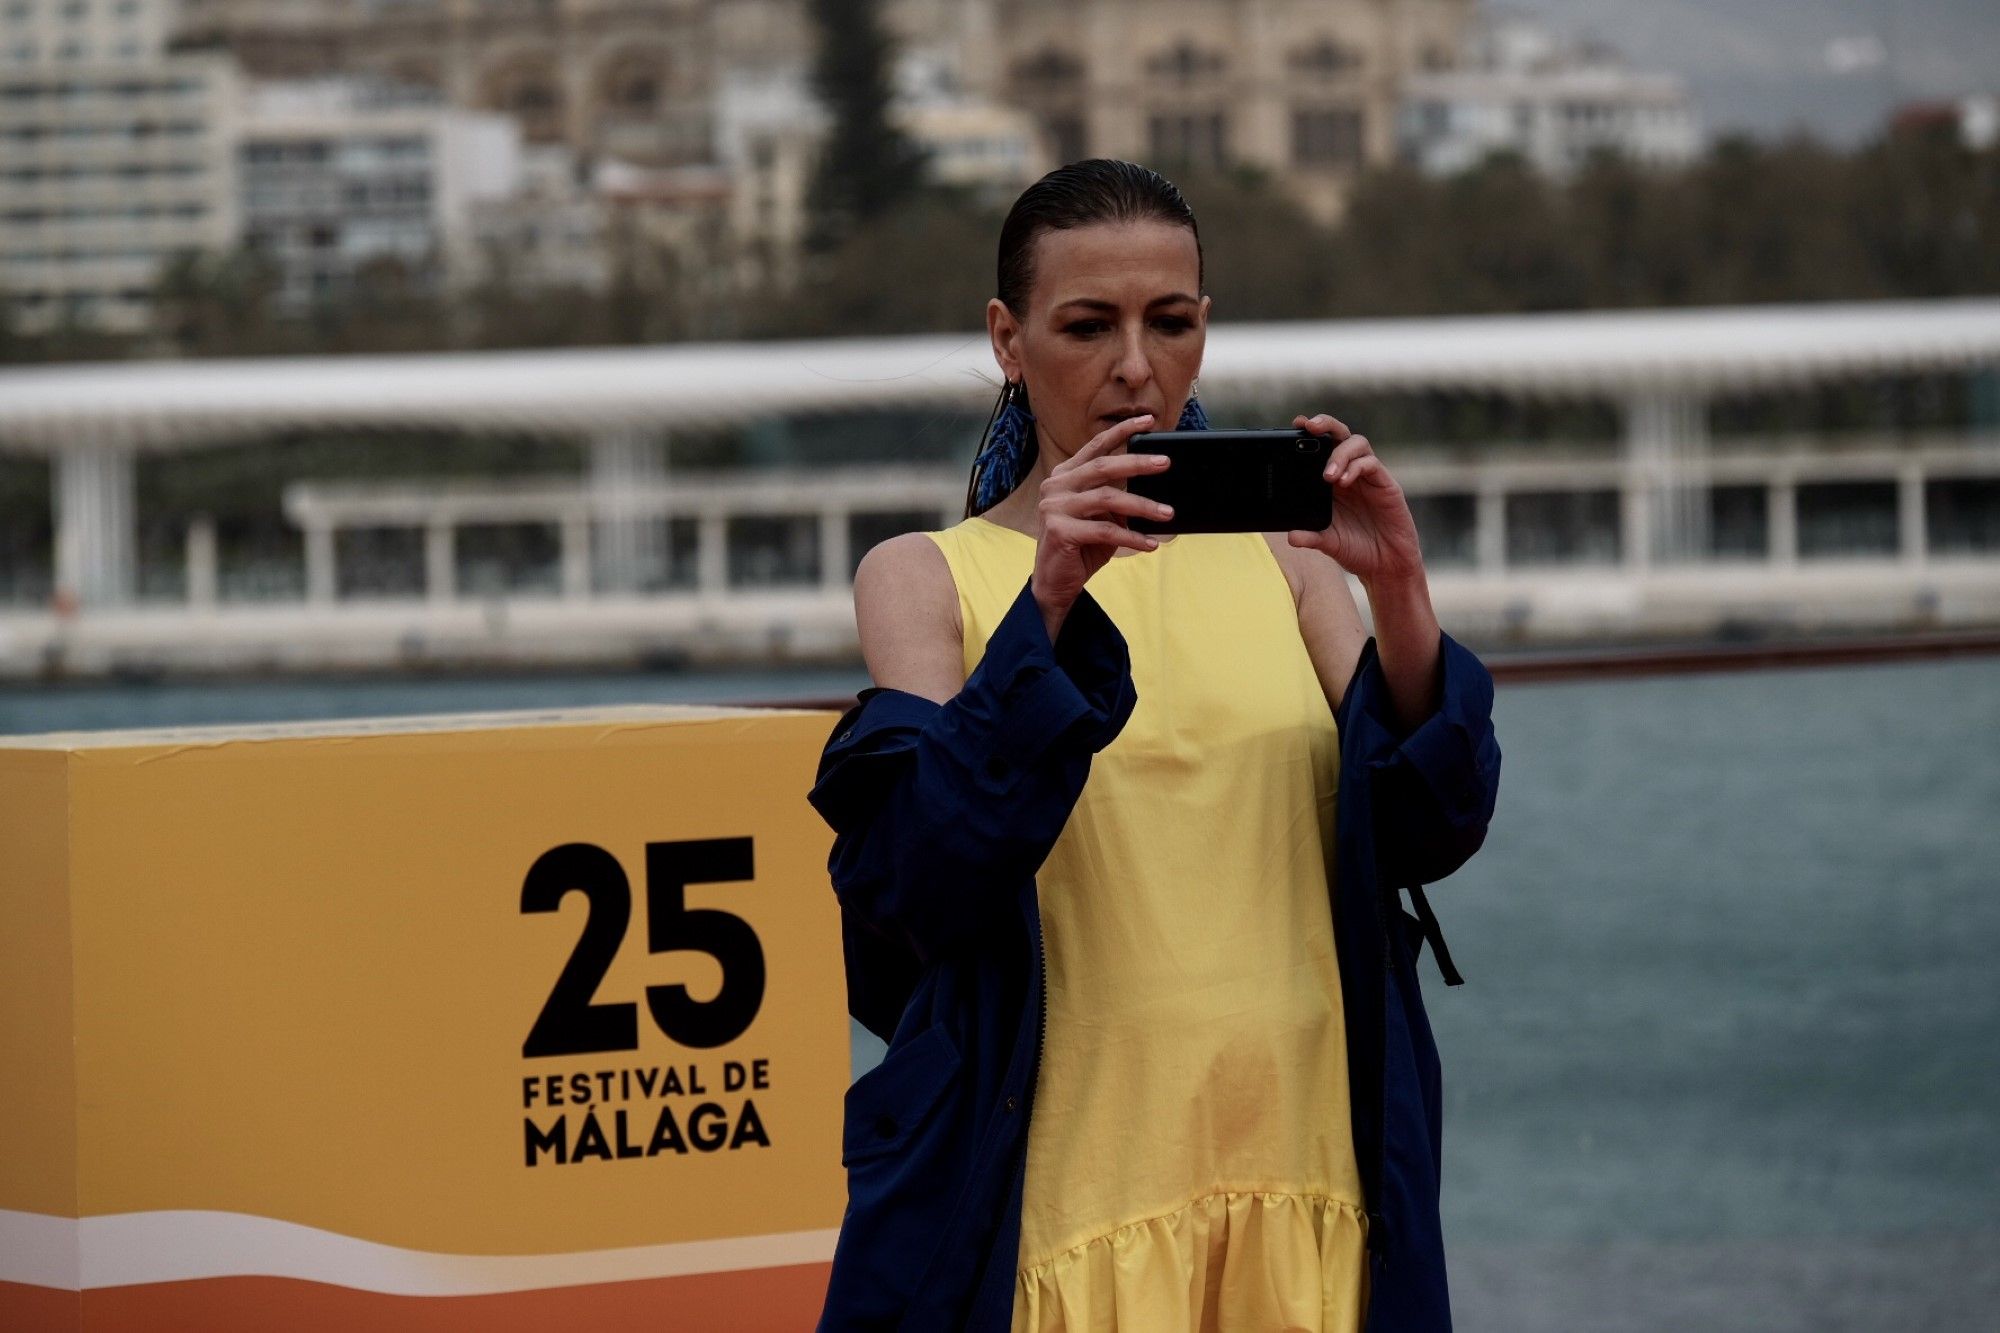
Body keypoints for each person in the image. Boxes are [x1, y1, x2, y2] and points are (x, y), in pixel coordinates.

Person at [806, 159, 1501, 1333]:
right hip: (1066, 1224)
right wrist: (1051, 605)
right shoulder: (923, 576)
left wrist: (1400, 593)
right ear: (1006, 340)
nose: (1136, 366)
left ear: (1203, 331)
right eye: (1088, 325)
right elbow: (915, 877)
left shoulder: (1289, 560)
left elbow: (1431, 825)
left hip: (1307, 1199)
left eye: (1169, 322)